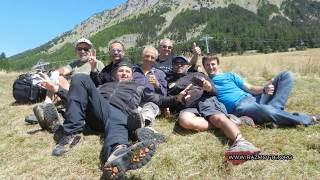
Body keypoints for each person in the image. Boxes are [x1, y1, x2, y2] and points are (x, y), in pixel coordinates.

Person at [39, 61, 188, 179]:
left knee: (117, 118)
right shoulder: (103, 85)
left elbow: (160, 100)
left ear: (132, 75)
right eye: (121, 70)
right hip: (97, 112)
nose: (124, 73)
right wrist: (57, 90)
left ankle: (118, 155)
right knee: (80, 78)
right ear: (116, 73)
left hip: (119, 113)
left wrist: (177, 99)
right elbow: (77, 97)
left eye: (127, 71)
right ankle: (69, 135)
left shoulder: (139, 87)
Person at [167, 56, 260, 165]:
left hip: (205, 100)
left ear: (188, 65)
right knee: (184, 121)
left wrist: (209, 88)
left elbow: (214, 90)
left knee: (216, 118)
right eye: (176, 63)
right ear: (172, 65)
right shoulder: (169, 81)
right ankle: (234, 121)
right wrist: (177, 99)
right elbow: (167, 99)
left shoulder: (198, 74)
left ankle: (241, 142)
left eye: (182, 63)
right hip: (187, 107)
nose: (179, 65)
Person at [202, 54, 320, 126]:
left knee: (286, 75)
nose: (211, 67)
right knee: (266, 110)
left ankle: (274, 113)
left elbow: (249, 88)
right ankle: (307, 119)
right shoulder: (205, 81)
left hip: (253, 98)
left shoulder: (230, 75)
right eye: (207, 65)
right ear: (204, 67)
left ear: (218, 64)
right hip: (240, 107)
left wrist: (264, 89)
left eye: (213, 64)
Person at [27, 38, 104, 126]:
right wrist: (56, 73)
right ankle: (46, 105)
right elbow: (64, 69)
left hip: (88, 96)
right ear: (76, 51)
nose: (82, 51)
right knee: (58, 78)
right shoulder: (75, 64)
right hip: (71, 94)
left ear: (90, 51)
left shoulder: (98, 63)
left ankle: (56, 115)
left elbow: (102, 82)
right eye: (79, 49)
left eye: (85, 49)